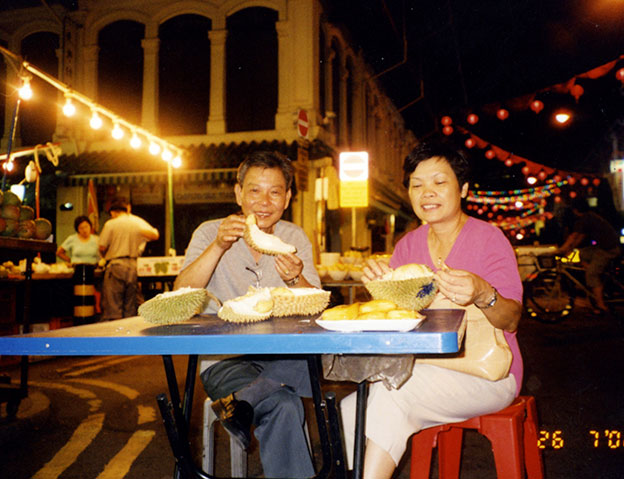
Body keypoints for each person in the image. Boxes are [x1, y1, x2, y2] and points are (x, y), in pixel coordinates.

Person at [340, 141, 523, 479]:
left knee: (391, 398)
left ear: (463, 189)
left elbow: (512, 319)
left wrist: (484, 293)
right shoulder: (407, 245)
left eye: (439, 182)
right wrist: (382, 287)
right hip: (425, 367)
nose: (427, 193)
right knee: (352, 408)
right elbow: (396, 318)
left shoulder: (489, 239)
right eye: (417, 184)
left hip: (489, 375)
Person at [174, 151, 320, 478]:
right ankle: (243, 395)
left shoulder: (294, 238)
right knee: (286, 404)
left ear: (288, 198)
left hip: (283, 354)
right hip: (224, 359)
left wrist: (296, 277)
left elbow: (316, 305)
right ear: (238, 193)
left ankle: (242, 399)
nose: (263, 202)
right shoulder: (209, 231)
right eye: (254, 190)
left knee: (315, 363)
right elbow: (181, 295)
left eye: (275, 191)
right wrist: (218, 247)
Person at [556, 197, 621, 313]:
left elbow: (573, 237)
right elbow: (579, 238)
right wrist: (570, 249)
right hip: (602, 247)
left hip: (609, 249)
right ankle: (591, 280)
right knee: (582, 254)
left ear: (575, 210)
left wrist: (562, 250)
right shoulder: (589, 217)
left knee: (591, 274)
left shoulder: (585, 219)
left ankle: (600, 305)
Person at [98, 197, 159, 320]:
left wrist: (104, 256)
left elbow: (102, 246)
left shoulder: (111, 223)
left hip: (116, 265)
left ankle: (115, 335)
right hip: (133, 266)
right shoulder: (136, 222)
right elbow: (155, 235)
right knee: (130, 306)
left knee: (113, 305)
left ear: (113, 212)